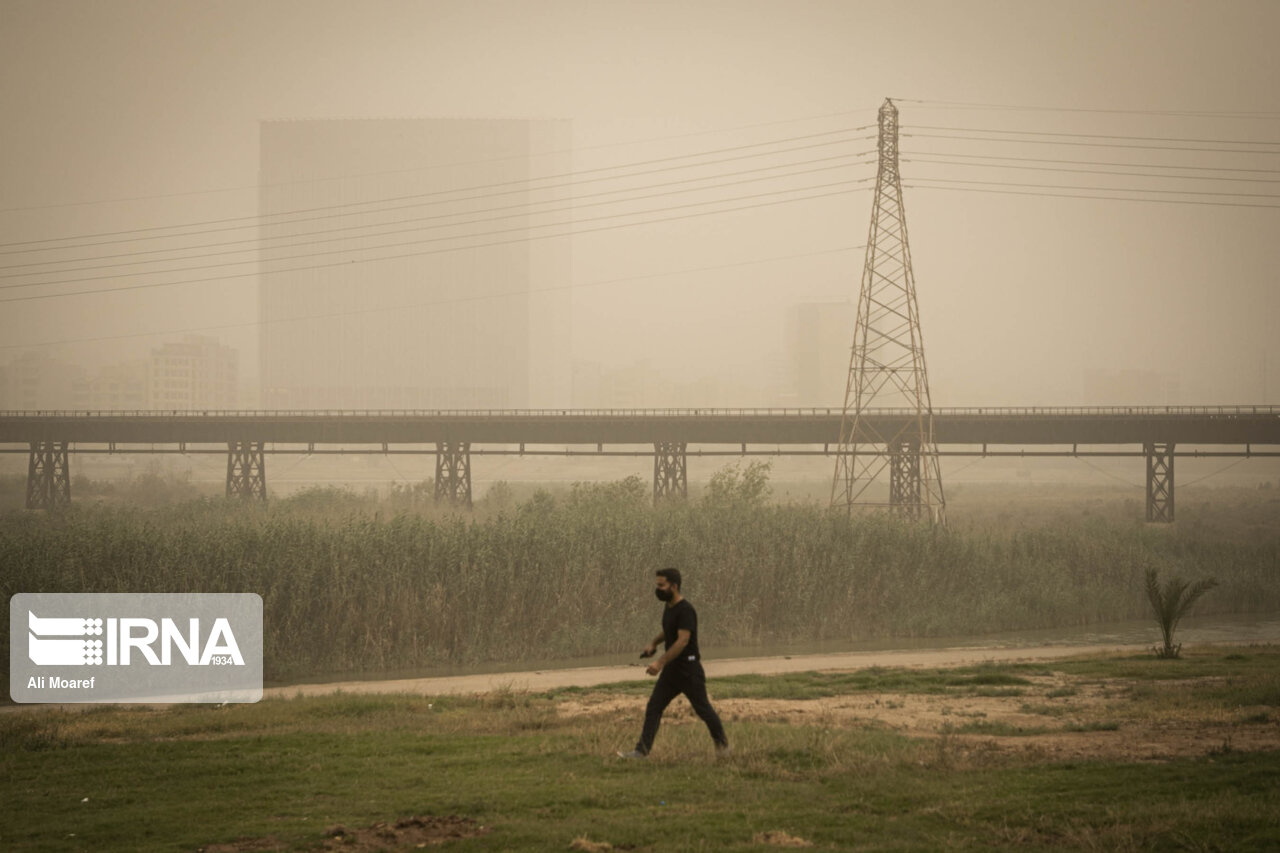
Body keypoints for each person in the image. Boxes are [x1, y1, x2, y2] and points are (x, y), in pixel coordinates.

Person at [618, 568, 730, 759]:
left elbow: (682, 640)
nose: (658, 589)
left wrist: (660, 662)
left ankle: (723, 748)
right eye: (657, 585)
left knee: (703, 709)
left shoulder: (686, 610)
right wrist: (653, 643)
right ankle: (641, 751)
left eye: (661, 585)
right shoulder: (669, 607)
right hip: (672, 672)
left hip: (689, 670)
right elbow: (668, 631)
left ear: (674, 586)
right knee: (654, 707)